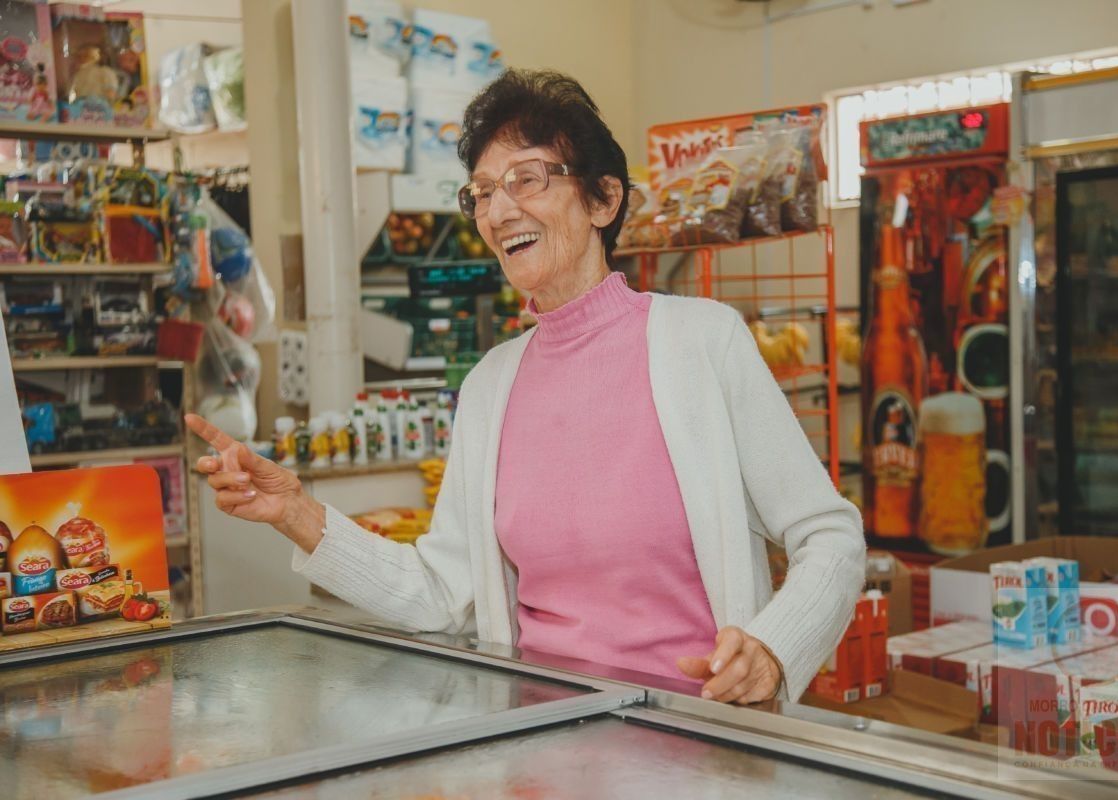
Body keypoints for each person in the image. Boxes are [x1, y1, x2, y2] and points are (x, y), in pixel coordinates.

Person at [188, 69, 865, 705]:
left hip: (698, 742)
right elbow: (440, 593)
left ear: (604, 199)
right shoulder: (491, 386)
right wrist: (298, 515)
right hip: (541, 745)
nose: (498, 210)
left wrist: (774, 651)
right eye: (482, 192)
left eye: (528, 179)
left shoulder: (703, 343)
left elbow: (829, 534)